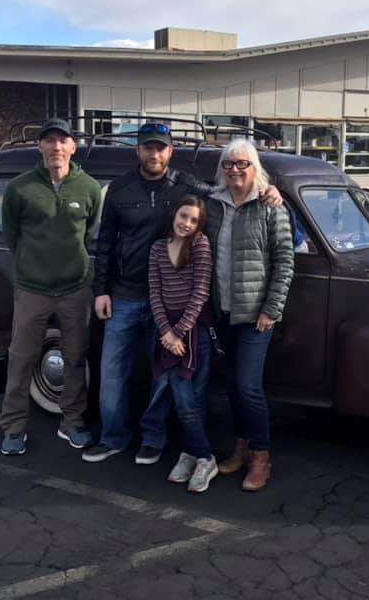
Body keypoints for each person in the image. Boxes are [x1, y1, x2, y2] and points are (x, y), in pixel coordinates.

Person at [83, 123, 281, 464]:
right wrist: (100, 290)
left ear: (170, 152)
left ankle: (154, 439)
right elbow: (104, 243)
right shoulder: (120, 188)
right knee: (113, 371)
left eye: (160, 147)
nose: (154, 153)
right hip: (126, 293)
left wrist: (268, 189)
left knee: (163, 377)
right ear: (138, 151)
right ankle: (113, 436)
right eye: (148, 147)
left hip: (171, 299)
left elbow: (228, 190)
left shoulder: (186, 184)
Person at [0, 118, 102, 455]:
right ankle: (13, 427)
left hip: (75, 287)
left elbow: (89, 235)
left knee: (74, 357)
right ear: (40, 147)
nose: (56, 147)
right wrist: (33, 263)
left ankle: (72, 421)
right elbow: (13, 235)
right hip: (33, 288)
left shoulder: (88, 188)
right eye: (49, 141)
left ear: (73, 147)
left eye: (63, 141)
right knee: (21, 357)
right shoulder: (19, 188)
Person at [206, 139, 294, 491]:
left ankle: (261, 457)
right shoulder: (213, 204)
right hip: (222, 311)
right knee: (231, 385)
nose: (235, 170)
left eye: (242, 164)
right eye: (229, 164)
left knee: (248, 386)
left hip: (256, 315)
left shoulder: (271, 205)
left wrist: (271, 309)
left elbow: (285, 260)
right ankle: (240, 448)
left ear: (255, 167)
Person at [148, 197, 217, 492]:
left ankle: (194, 455)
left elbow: (201, 292)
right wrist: (166, 331)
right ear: (174, 214)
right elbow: (155, 292)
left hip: (195, 330)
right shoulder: (157, 249)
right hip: (168, 331)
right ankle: (203, 456)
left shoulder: (200, 245)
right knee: (184, 397)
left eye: (193, 220)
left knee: (194, 397)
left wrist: (179, 332)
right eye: (183, 216)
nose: (186, 224)